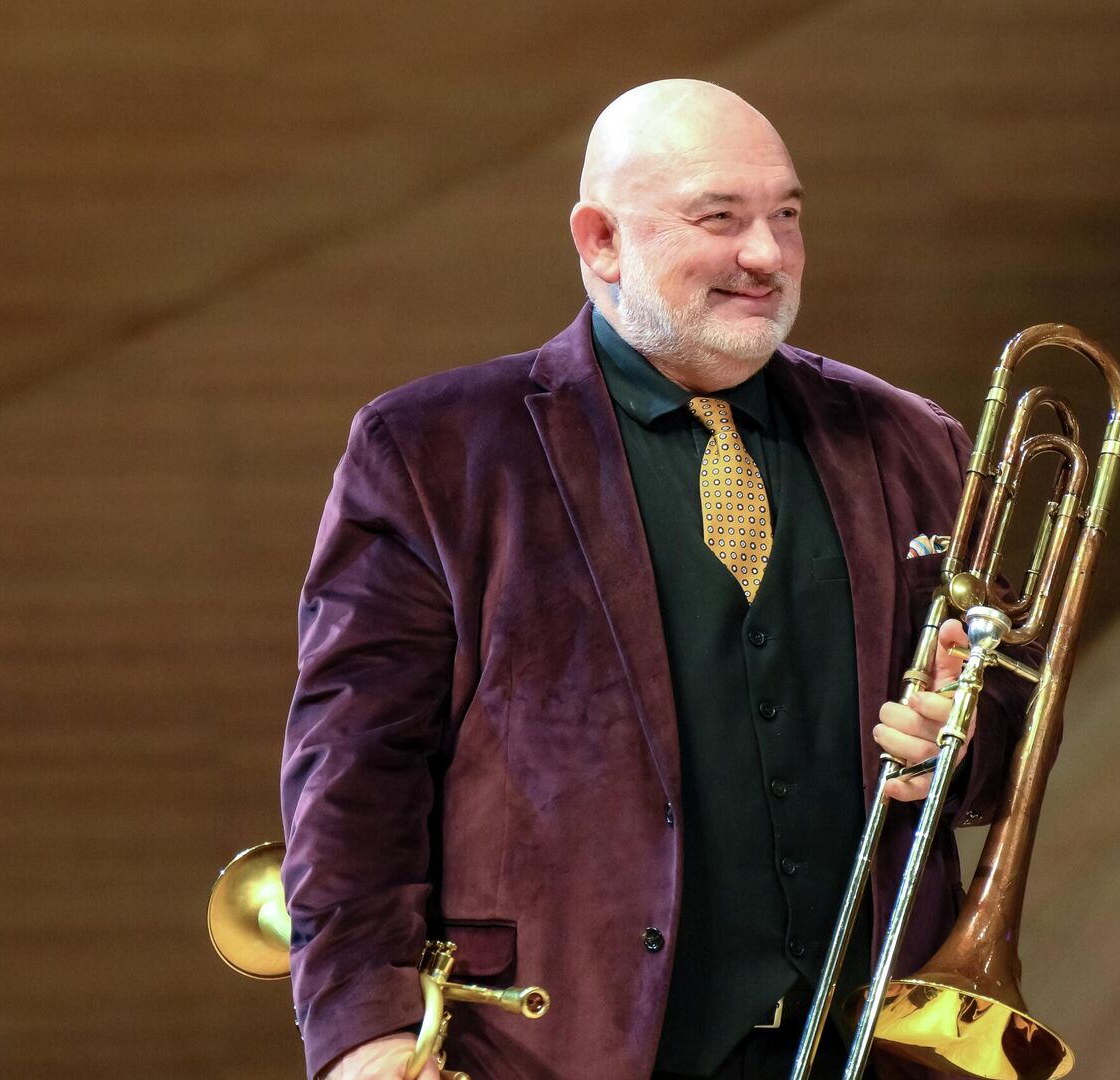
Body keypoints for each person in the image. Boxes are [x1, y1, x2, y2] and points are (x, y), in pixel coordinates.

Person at [281, 80, 1028, 1080]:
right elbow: (355, 771)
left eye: (786, 216)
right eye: (720, 219)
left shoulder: (911, 437)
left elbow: (1011, 723)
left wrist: (963, 735)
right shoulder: (433, 449)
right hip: (564, 1046)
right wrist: (363, 1033)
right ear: (601, 240)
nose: (767, 255)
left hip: (875, 1047)